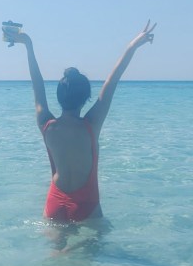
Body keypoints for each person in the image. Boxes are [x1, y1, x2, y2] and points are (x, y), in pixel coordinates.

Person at [9, 21, 156, 224]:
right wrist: (133, 46)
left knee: (54, 254)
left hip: (55, 202)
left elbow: (37, 84)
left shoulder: (47, 125)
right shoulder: (92, 124)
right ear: (86, 98)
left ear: (59, 97)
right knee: (87, 254)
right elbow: (112, 80)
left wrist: (28, 44)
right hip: (86, 203)